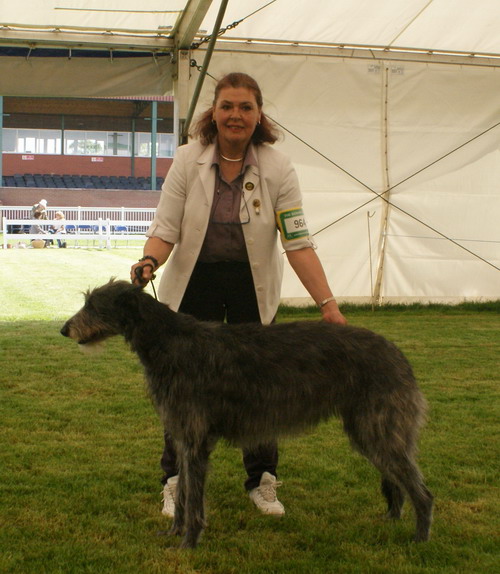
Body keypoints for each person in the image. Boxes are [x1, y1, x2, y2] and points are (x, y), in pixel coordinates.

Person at [130, 72, 347, 519]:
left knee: (261, 386)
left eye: (245, 107)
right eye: (227, 106)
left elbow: (298, 242)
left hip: (252, 282)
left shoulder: (278, 167)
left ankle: (262, 480)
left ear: (258, 114)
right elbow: (165, 229)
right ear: (214, 112)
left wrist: (328, 305)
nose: (236, 115)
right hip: (195, 281)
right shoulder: (188, 160)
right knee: (184, 389)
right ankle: (175, 481)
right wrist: (149, 261)